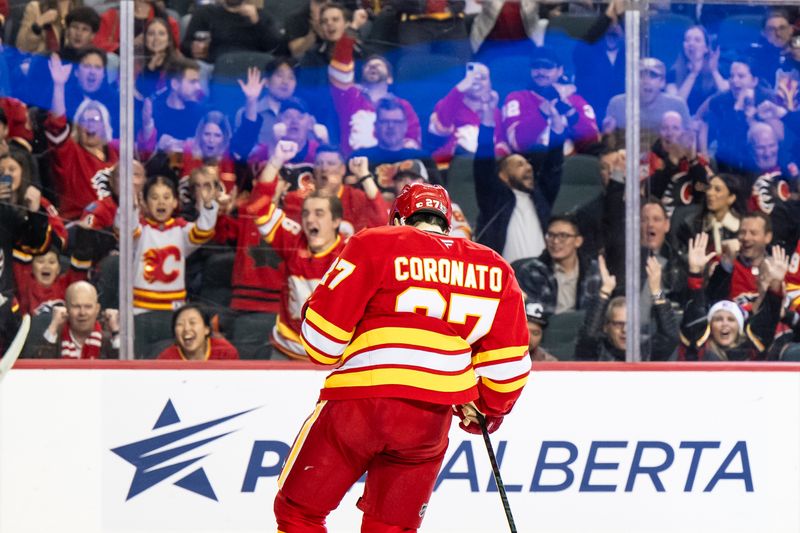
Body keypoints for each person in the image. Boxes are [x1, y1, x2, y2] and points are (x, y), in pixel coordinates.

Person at [275, 182, 531, 531]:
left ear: (397, 219)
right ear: (447, 224)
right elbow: (509, 366)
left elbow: (323, 342)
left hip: (360, 404)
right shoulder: (495, 267)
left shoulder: (374, 241)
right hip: (428, 421)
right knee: (391, 528)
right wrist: (486, 409)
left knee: (299, 512)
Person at [255, 160, 348, 360]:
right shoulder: (294, 239)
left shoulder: (350, 254)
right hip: (285, 351)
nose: (310, 220)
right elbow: (259, 211)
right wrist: (275, 160)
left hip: (331, 357)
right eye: (305, 213)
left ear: (336, 221)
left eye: (319, 213)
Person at [679, 232, 786, 361]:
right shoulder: (698, 345)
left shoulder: (751, 350)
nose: (725, 324)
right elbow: (694, 315)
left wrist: (775, 283)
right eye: (718, 319)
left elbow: (767, 321)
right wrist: (695, 272)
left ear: (740, 327)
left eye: (731, 319)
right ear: (710, 326)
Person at [45, 54, 118, 220]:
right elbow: (57, 126)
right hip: (80, 227)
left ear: (105, 127)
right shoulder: (70, 154)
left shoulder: (115, 155)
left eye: (96, 120)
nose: (90, 125)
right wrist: (58, 86)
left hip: (114, 227)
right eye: (84, 121)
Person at [328, 30, 421, 155]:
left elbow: (413, 140)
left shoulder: (403, 106)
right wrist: (351, 32)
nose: (373, 67)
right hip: (354, 165)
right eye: (368, 66)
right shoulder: (351, 98)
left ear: (390, 78)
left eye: (378, 65)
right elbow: (339, 70)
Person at [499, 46, 600, 156]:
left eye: (547, 67)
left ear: (560, 70)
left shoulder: (576, 101)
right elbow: (518, 143)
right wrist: (544, 110)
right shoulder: (517, 98)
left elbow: (593, 144)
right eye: (535, 66)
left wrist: (571, 113)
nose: (540, 72)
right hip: (532, 163)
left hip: (568, 164)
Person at [512, 214, 601, 316]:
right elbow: (532, 312)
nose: (555, 241)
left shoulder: (593, 271)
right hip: (546, 329)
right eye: (551, 235)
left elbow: (597, 313)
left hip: (583, 329)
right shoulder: (532, 271)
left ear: (578, 241)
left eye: (563, 236)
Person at [429, 62, 501, 168]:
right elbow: (442, 126)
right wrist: (459, 90)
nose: (477, 82)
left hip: (484, 167)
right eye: (472, 78)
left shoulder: (495, 112)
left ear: (490, 82)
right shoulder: (449, 103)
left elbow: (501, 144)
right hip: (450, 166)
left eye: (483, 78)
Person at [24, 281, 119, 359]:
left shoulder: (107, 342)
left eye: (88, 307)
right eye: (76, 306)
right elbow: (39, 371)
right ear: (66, 309)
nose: (82, 313)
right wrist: (53, 326)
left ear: (97, 309)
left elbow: (124, 373)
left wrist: (115, 331)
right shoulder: (54, 340)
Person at [604, 57, 690, 141]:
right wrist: (607, 134)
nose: (646, 81)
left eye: (653, 75)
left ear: (662, 82)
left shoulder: (677, 106)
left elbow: (688, 143)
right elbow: (607, 144)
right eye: (640, 75)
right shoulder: (617, 104)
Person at [706, 212, 776, 311]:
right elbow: (712, 299)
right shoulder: (725, 266)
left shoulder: (778, 267)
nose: (746, 238)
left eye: (753, 233)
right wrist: (727, 265)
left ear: (767, 237)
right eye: (742, 232)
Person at [180, 0, 284, 63]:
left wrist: (256, 21)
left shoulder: (261, 16)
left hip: (252, 68)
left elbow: (272, 47)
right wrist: (193, 48)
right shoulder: (205, 13)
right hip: (213, 65)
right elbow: (185, 46)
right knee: (200, 68)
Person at [665, 25, 729, 115]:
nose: (691, 43)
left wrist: (714, 71)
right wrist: (693, 74)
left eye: (697, 40)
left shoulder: (719, 70)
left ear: (706, 48)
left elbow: (728, 97)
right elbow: (676, 107)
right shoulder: (673, 73)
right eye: (687, 40)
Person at [157, 304, 239, 360]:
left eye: (192, 322)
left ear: (206, 329)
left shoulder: (225, 352)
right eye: (180, 324)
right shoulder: (166, 358)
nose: (186, 328)